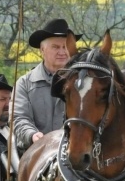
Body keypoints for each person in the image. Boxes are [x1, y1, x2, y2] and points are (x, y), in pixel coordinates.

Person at [13, 19, 82, 151]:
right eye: (56, 47)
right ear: (42, 50)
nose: (62, 52)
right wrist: (32, 135)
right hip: (35, 154)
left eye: (65, 47)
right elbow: (18, 117)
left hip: (75, 152)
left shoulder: (84, 82)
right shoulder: (25, 83)